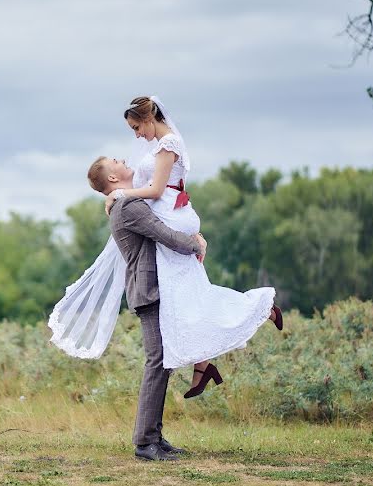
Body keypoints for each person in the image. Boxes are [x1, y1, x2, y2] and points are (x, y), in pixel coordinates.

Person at [96, 95, 282, 397]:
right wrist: (117, 193)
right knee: (188, 298)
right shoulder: (158, 145)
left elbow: (156, 190)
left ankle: (260, 308)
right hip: (171, 213)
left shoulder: (168, 144)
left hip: (170, 213)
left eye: (136, 127)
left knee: (190, 297)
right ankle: (202, 365)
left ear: (147, 119)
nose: (136, 135)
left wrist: (120, 195)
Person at [99, 158, 207, 460]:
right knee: (157, 362)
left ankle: (154, 437)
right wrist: (195, 243)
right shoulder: (129, 208)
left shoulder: (126, 203)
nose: (123, 159)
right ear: (111, 175)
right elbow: (165, 235)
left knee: (163, 362)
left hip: (159, 289)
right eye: (116, 161)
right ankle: (146, 443)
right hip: (150, 291)